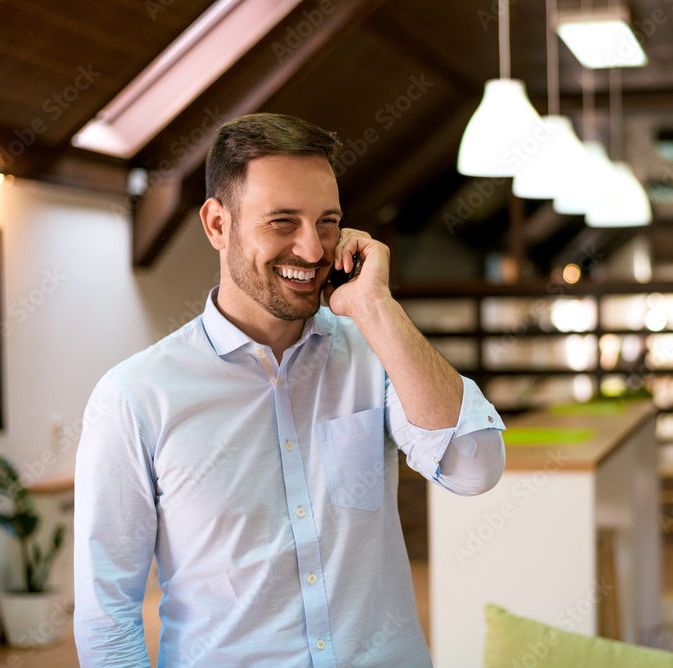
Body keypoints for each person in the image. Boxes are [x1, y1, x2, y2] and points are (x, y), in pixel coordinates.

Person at [73, 113, 507, 667]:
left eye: (327, 222)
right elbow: (107, 618)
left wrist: (375, 307)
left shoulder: (374, 351)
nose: (311, 249)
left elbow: (475, 469)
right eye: (282, 222)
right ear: (217, 225)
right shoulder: (135, 397)